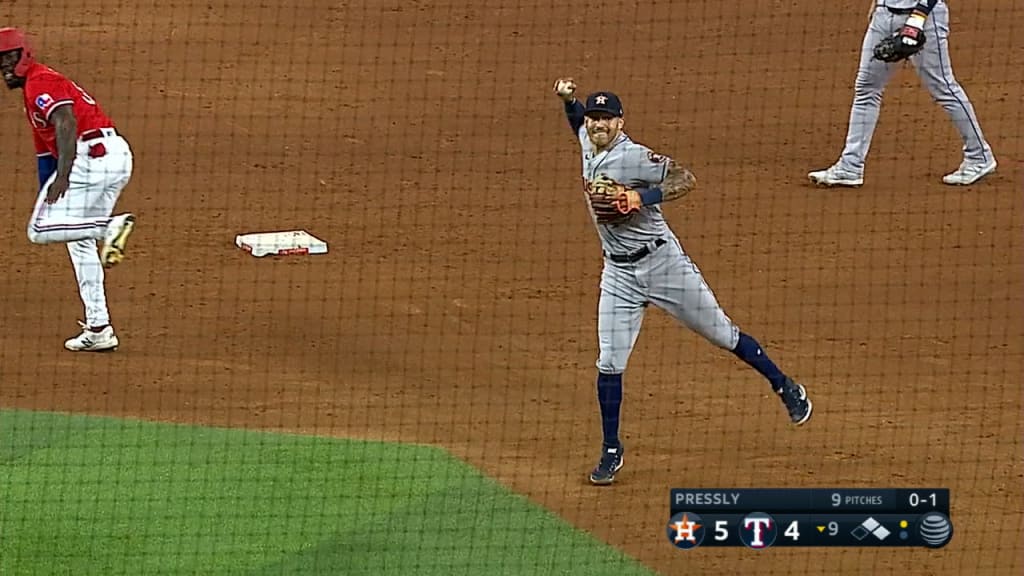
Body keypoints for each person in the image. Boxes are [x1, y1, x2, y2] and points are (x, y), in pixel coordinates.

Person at [552, 78, 813, 486]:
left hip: (663, 265)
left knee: (722, 334)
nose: (598, 125)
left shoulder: (635, 157)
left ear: (620, 123)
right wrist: (570, 101)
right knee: (609, 362)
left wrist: (643, 198)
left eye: (606, 119)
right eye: (593, 118)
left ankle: (785, 387)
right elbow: (576, 126)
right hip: (619, 274)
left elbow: (685, 178)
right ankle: (611, 449)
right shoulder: (588, 140)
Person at [1, 27, 136, 351]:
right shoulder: (31, 93)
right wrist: (49, 188)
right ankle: (99, 327)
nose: (4, 68)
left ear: (24, 55)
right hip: (112, 157)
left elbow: (65, 122)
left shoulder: (40, 82)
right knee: (76, 239)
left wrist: (63, 176)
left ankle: (110, 227)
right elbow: (44, 154)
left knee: (38, 230)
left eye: (7, 59)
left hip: (91, 158)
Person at [809, 0, 996, 187]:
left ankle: (979, 156)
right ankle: (850, 167)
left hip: (923, 19)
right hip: (884, 15)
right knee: (866, 88)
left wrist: (918, 17)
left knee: (943, 87)